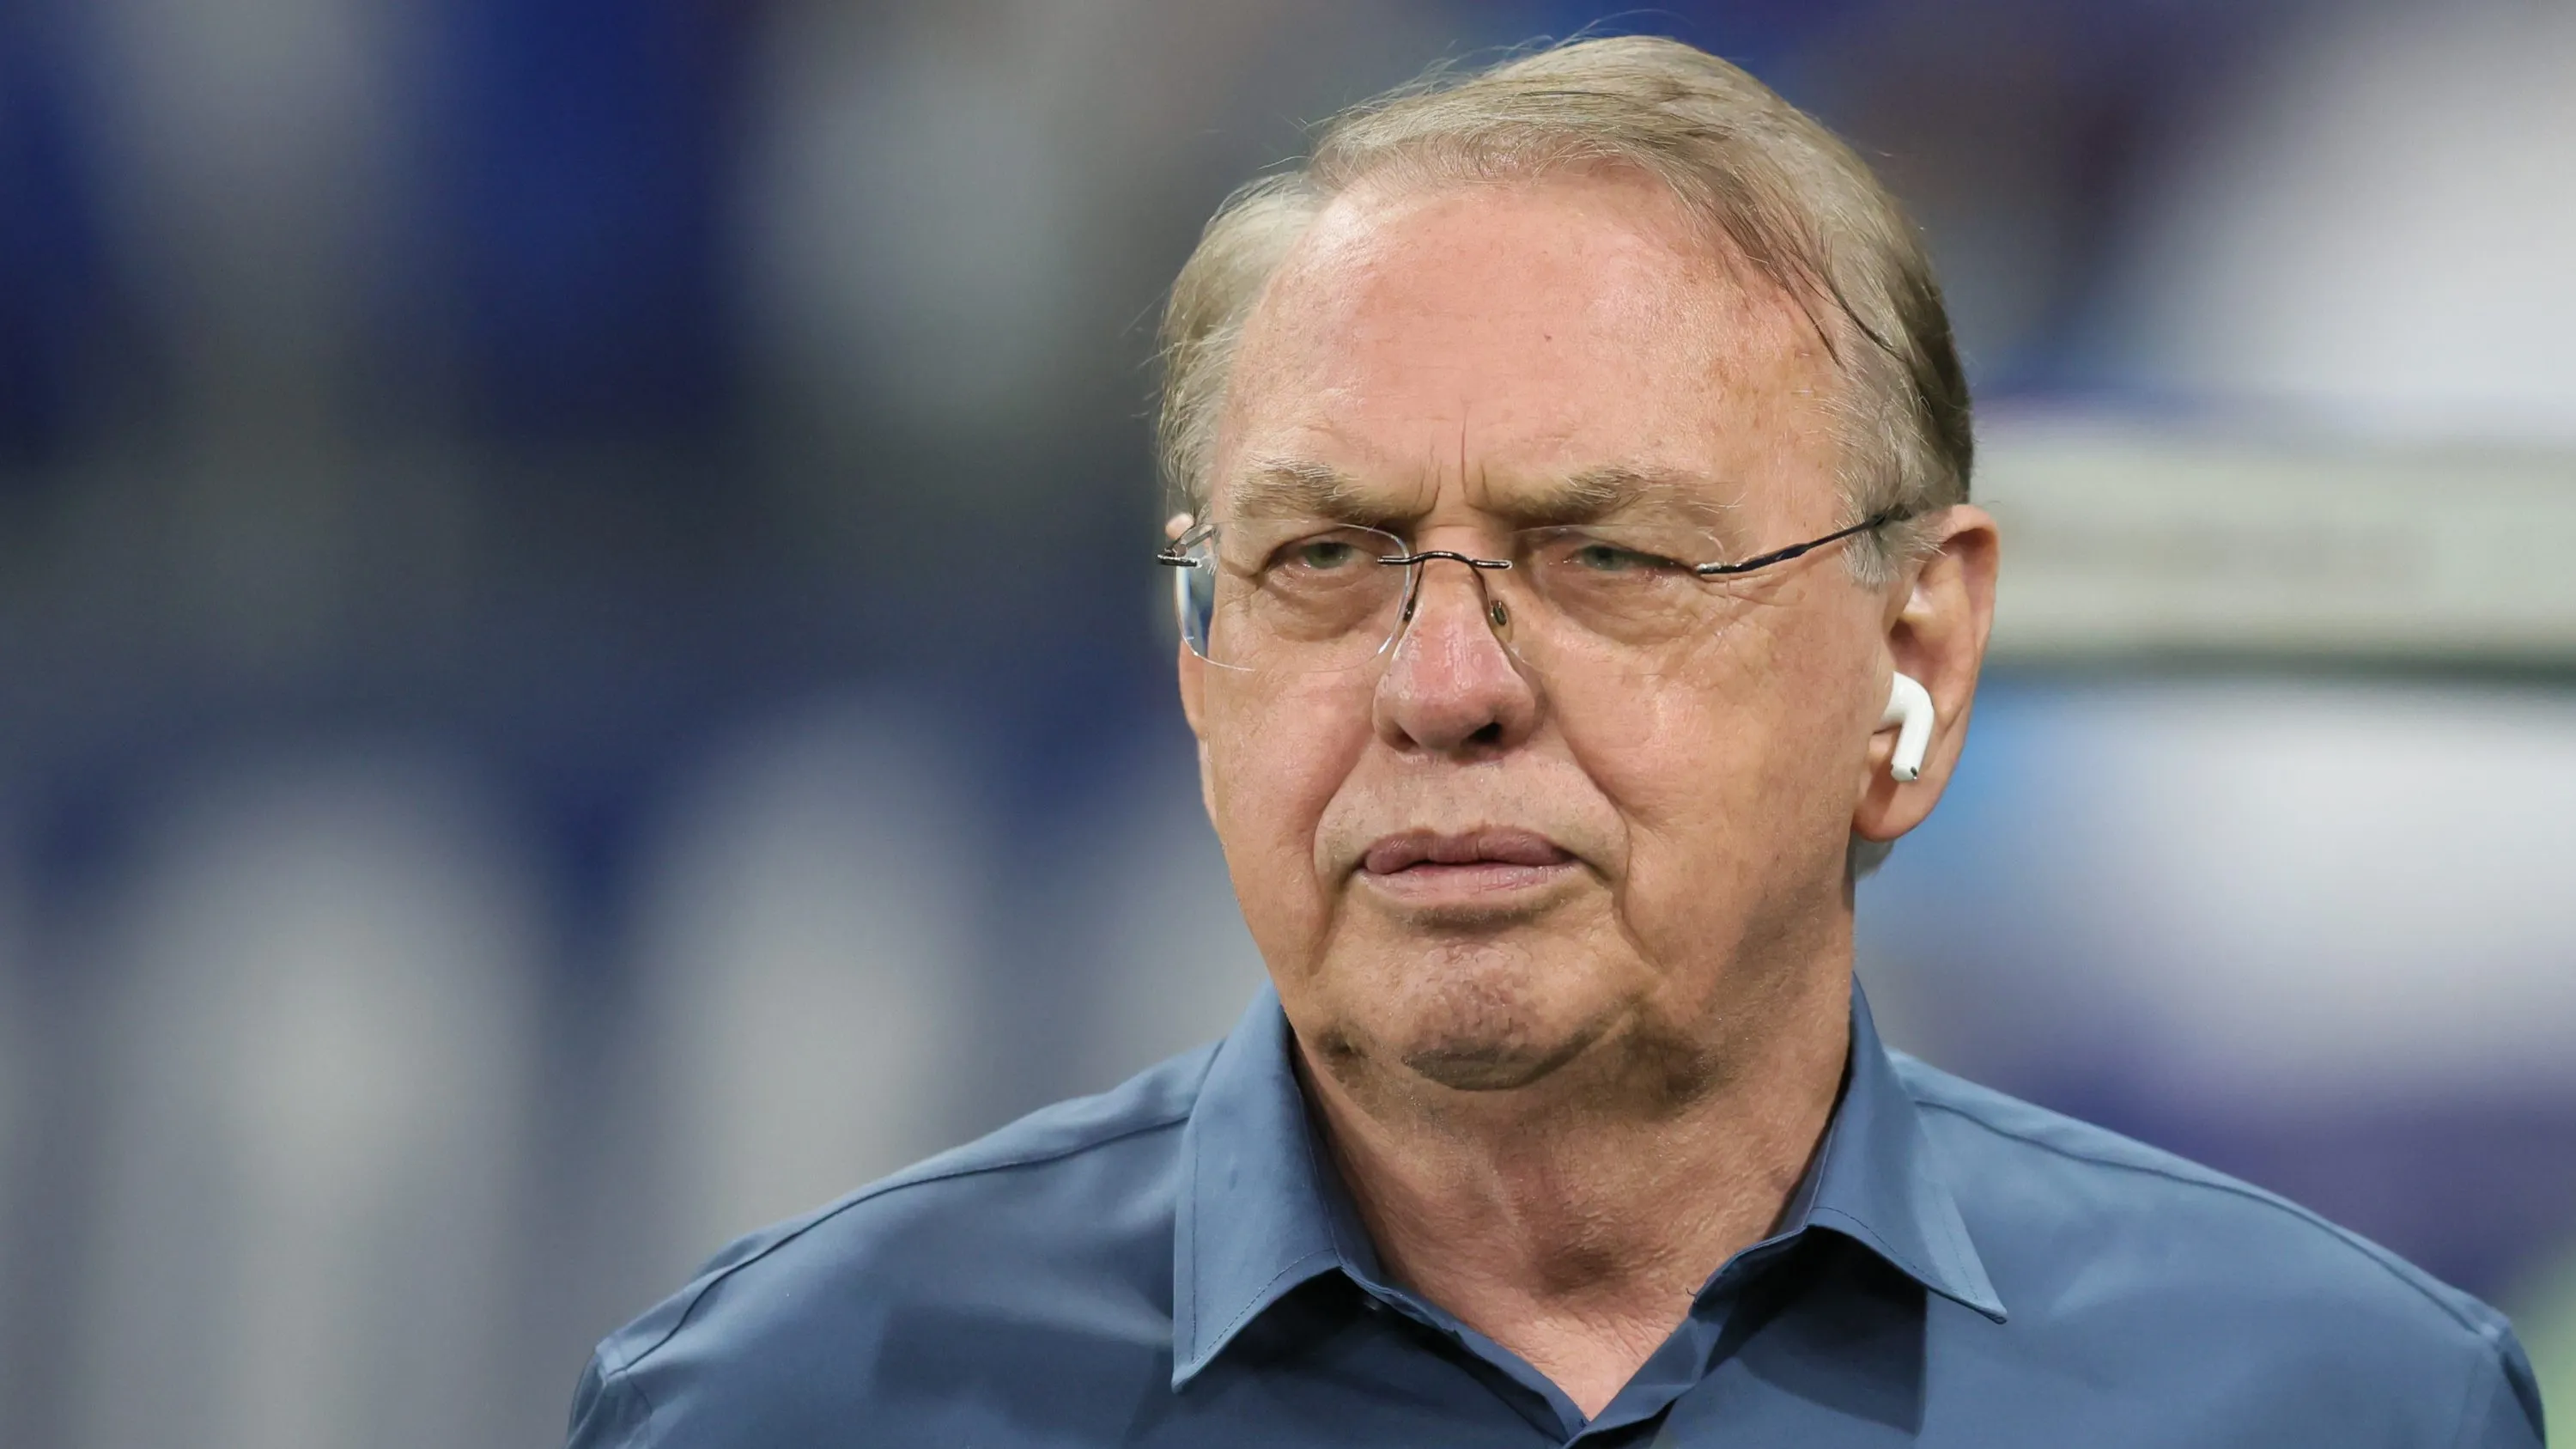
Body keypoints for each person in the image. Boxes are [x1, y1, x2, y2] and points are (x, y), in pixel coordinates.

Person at [564, 36, 2544, 1446]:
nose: (1442, 686)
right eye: (1324, 558)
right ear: (1197, 657)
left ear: (1914, 649)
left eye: (1604, 555)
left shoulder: (2331, 1402)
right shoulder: (776, 1406)